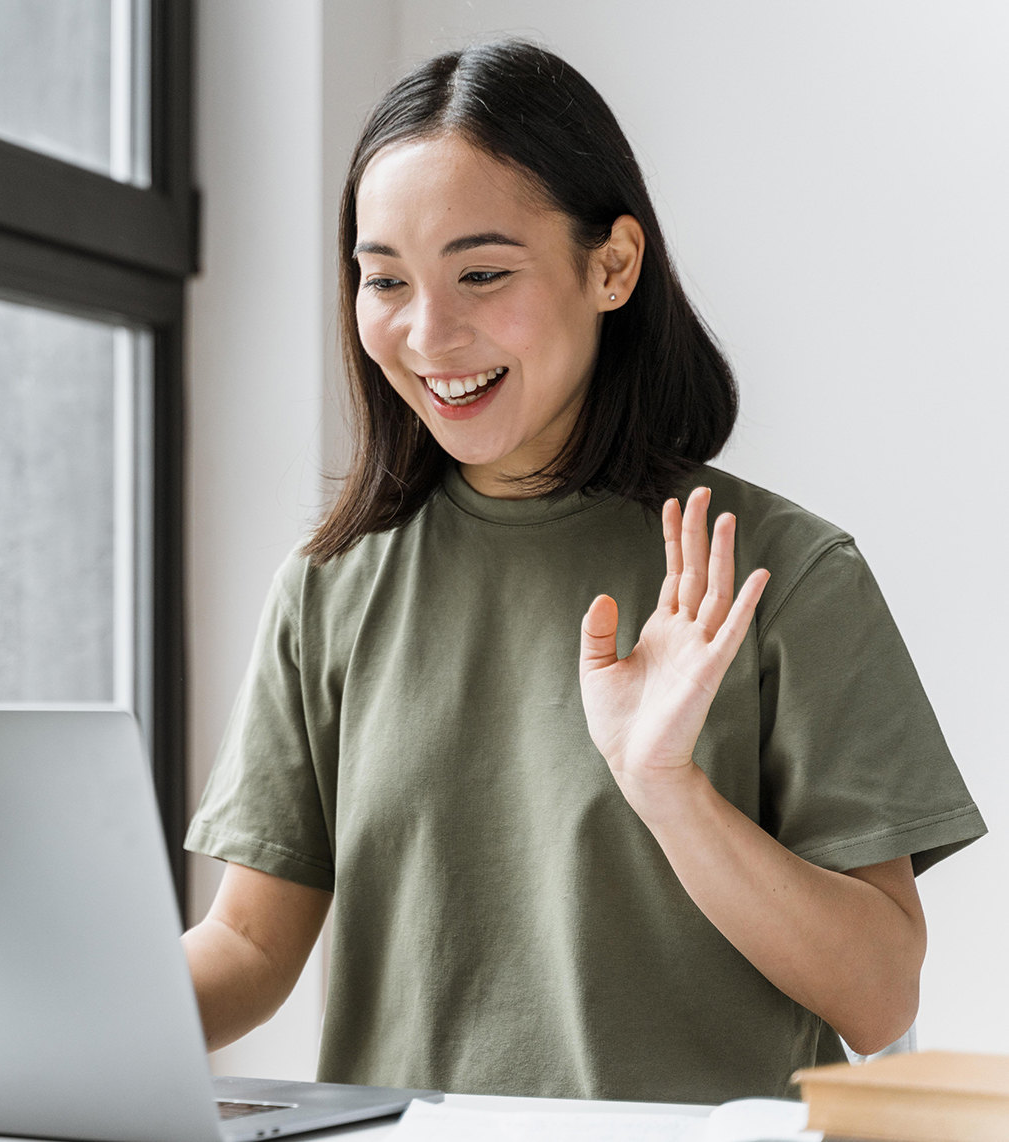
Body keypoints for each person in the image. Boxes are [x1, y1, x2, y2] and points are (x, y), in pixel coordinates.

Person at [180, 41, 986, 1104]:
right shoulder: (330, 584)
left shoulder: (785, 574)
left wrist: (670, 789)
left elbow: (880, 996)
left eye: (482, 273)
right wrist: (42, 1014)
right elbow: (248, 942)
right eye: (385, 279)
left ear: (611, 264)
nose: (429, 332)